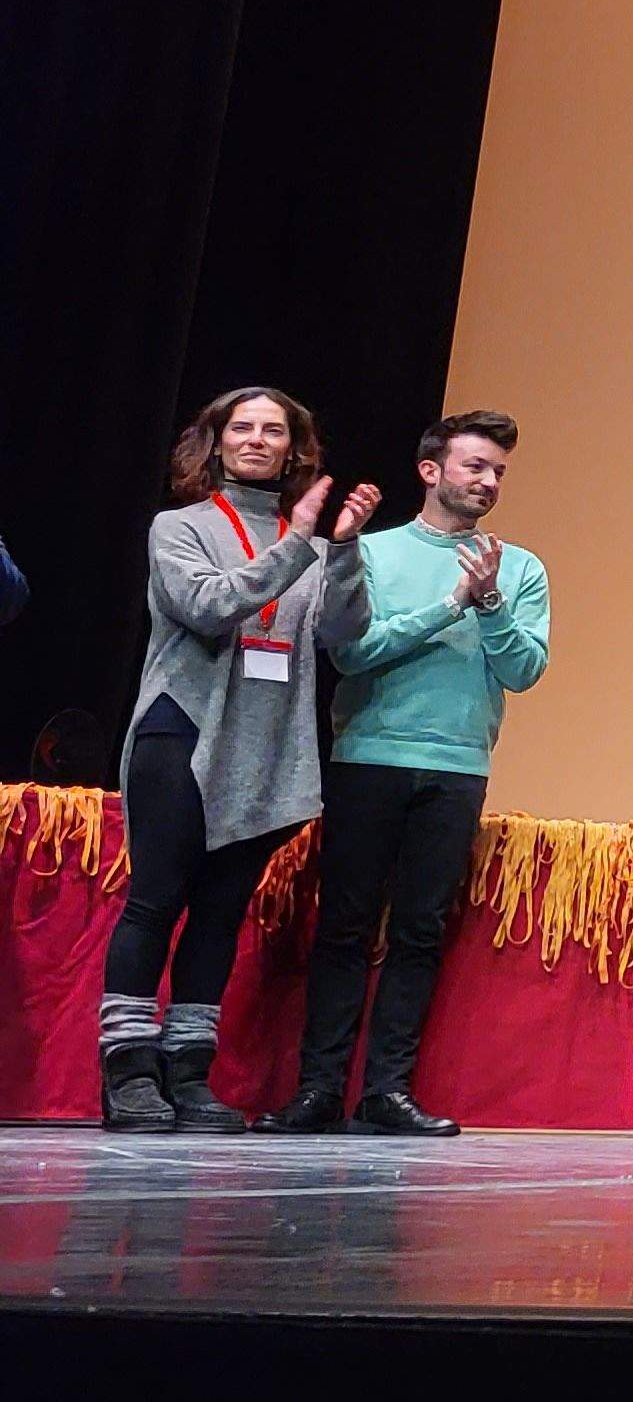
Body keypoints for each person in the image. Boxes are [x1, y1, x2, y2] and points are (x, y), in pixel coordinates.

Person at [269, 410, 552, 1138]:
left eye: (498, 472)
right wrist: (448, 604)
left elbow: (524, 670)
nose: (488, 482)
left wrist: (487, 601)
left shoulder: (518, 568)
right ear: (431, 471)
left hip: (457, 768)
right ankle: (319, 1089)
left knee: (420, 934)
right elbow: (353, 654)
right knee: (344, 928)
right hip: (368, 757)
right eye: (474, 466)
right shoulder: (373, 550)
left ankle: (387, 1091)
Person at [104, 388, 378, 1132]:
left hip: (268, 747)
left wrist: (344, 548)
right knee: (157, 900)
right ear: (217, 442)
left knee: (221, 913)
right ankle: (128, 1072)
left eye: (274, 431)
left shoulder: (313, 541)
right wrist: (300, 544)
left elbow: (345, 633)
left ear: (295, 450)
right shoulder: (181, 527)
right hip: (185, 734)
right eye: (243, 428)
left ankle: (188, 1073)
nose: (257, 439)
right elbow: (209, 605)